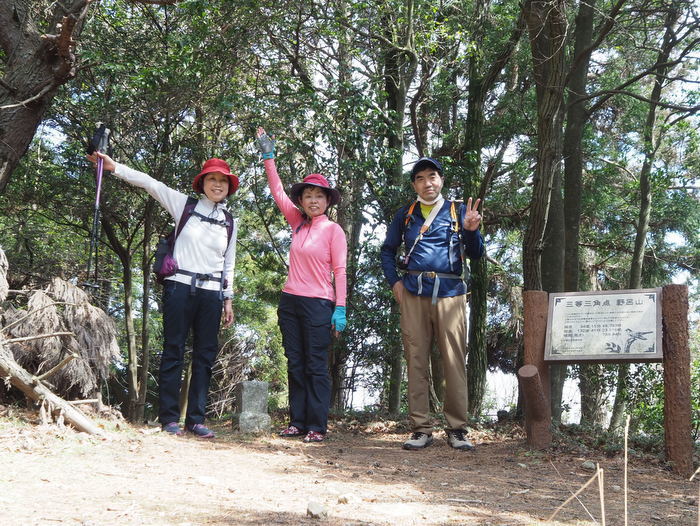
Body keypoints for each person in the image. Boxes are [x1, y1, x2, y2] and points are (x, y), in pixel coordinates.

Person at [87, 151, 238, 438]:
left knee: (205, 356)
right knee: (174, 351)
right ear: (202, 183)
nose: (217, 184)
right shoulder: (185, 205)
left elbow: (229, 262)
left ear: (229, 187)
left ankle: (196, 419)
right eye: (212, 179)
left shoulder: (230, 221)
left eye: (223, 181)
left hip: (212, 293)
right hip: (180, 287)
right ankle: (169, 418)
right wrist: (114, 167)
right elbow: (151, 184)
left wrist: (228, 298)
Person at [380, 157, 484, 451]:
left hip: (451, 292)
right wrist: (395, 283)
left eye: (433, 177)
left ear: (441, 180)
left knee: (453, 360)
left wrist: (472, 231)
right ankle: (420, 428)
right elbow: (387, 251)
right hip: (413, 290)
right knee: (416, 358)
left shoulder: (459, 210)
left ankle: (457, 428)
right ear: (414, 184)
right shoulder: (406, 214)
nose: (428, 183)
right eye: (421, 178)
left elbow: (475, 254)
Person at [255, 127, 347, 443]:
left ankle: (317, 426)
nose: (313, 200)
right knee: (295, 363)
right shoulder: (297, 223)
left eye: (318, 196)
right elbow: (277, 191)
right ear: (303, 200)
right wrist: (269, 157)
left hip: (319, 303)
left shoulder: (334, 230)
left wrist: (341, 308)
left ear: (327, 200)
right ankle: (298, 421)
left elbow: (341, 270)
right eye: (308, 196)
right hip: (290, 302)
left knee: (315, 366)